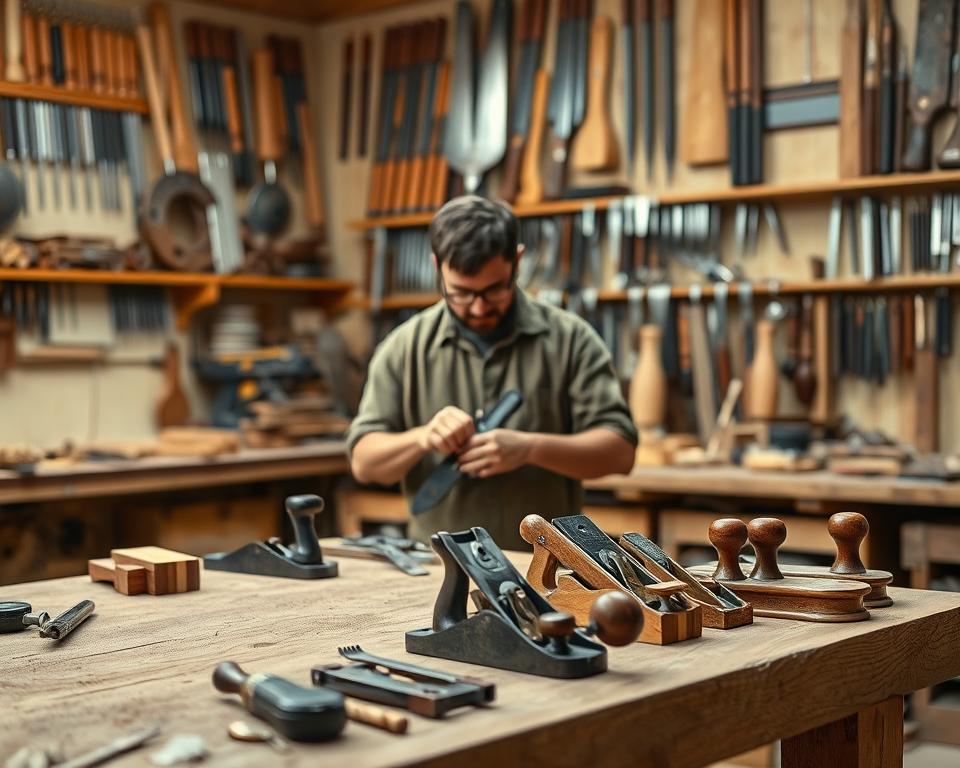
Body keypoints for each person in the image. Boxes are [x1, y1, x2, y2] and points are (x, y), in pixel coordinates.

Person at [346, 196, 637, 549]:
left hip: (547, 571)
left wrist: (530, 448)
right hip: (440, 570)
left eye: (494, 289)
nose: (479, 307)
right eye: (461, 293)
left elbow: (620, 452)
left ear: (517, 260)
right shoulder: (403, 348)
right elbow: (364, 462)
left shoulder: (570, 339)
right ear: (436, 266)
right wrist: (422, 438)